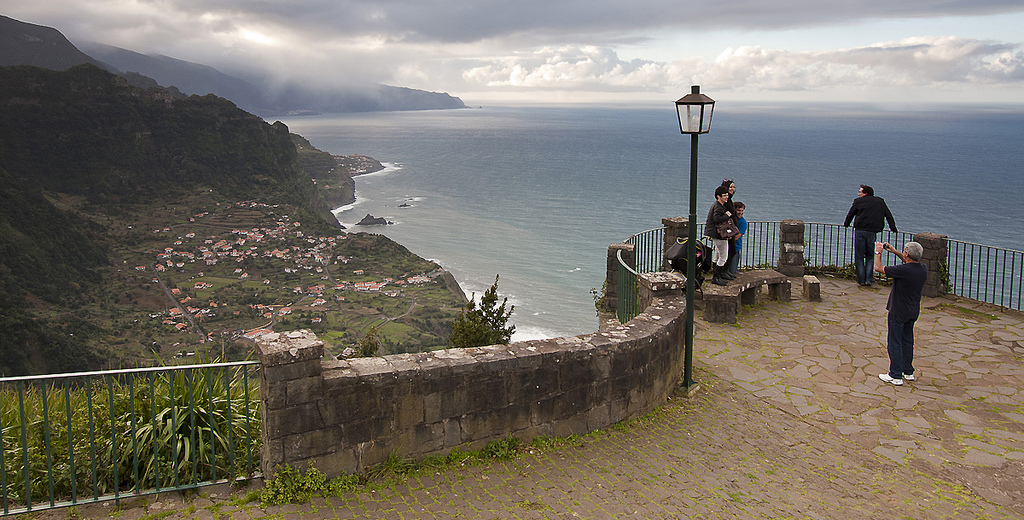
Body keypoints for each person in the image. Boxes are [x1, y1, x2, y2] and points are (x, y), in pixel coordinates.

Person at [874, 241, 928, 386]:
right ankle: (908, 371)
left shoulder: (904, 271)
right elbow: (909, 262)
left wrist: (878, 252)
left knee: (894, 341)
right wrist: (895, 251)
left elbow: (878, 268)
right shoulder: (922, 269)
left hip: (898, 310)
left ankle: (895, 374)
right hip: (912, 310)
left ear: (907, 254)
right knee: (907, 341)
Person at [844, 184, 898, 286]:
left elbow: (851, 214)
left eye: (860, 192)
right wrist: (893, 228)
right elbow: (888, 214)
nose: (858, 194)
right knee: (870, 256)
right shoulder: (880, 202)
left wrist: (846, 224)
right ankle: (869, 279)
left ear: (865, 193)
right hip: (872, 231)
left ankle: (861, 280)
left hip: (860, 231)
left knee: (859, 256)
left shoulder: (858, 201)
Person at [704, 185, 733, 286]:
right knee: (723, 256)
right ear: (718, 196)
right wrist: (727, 216)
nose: (726, 197)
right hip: (719, 235)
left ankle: (716, 276)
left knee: (717, 255)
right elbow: (716, 219)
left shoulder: (717, 205)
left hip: (715, 234)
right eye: (724, 195)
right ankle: (716, 277)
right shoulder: (718, 207)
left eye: (727, 195)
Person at [720, 179, 738, 280]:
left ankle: (725, 271)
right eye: (731, 187)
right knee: (729, 252)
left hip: (731, 231)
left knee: (731, 251)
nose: (732, 189)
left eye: (733, 187)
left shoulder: (729, 201)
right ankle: (722, 272)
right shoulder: (725, 202)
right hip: (727, 232)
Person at [728, 201, 747, 277]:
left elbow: (737, 236)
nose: (741, 212)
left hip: (735, 247)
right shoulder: (731, 219)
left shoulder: (743, 222)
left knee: (732, 270)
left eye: (742, 211)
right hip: (728, 246)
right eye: (739, 210)